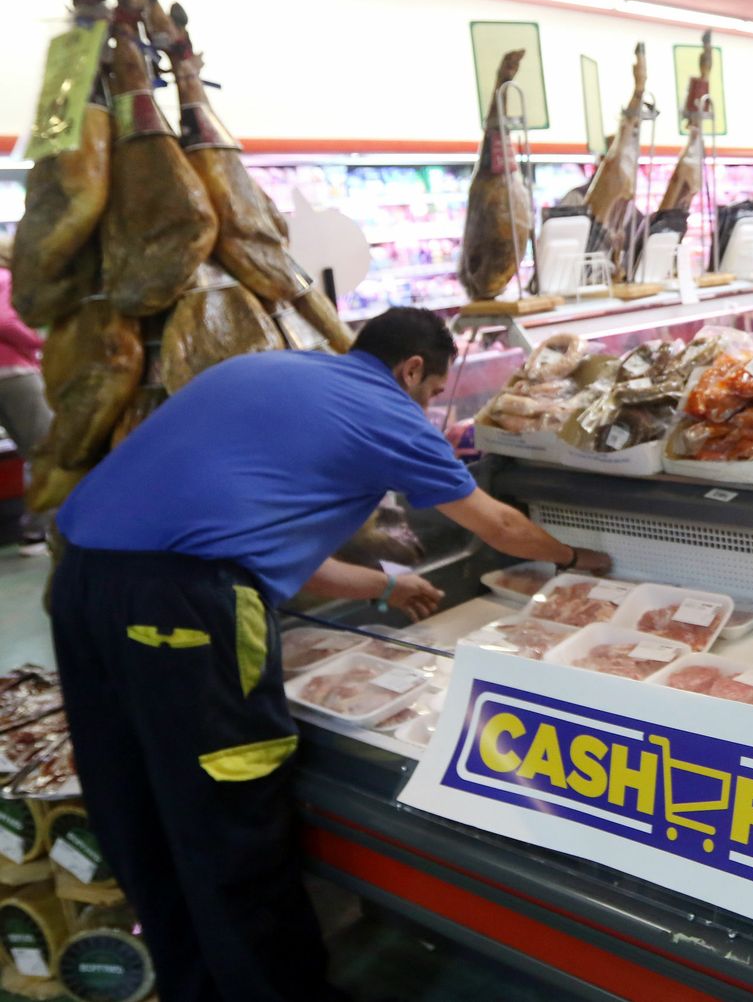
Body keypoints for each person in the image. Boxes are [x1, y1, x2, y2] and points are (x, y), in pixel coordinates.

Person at [49, 307, 612, 1002]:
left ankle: (195, 988)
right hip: (181, 613)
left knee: (133, 800)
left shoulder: (266, 371)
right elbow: (499, 525)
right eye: (434, 392)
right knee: (230, 813)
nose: (429, 407)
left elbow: (245, 534)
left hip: (81, 584)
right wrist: (576, 559)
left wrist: (384, 586)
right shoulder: (388, 411)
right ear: (412, 369)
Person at [0, 235, 52, 549]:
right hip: (15, 374)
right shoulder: (5, 279)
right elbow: (5, 320)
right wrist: (39, 342)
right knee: (46, 450)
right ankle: (39, 530)